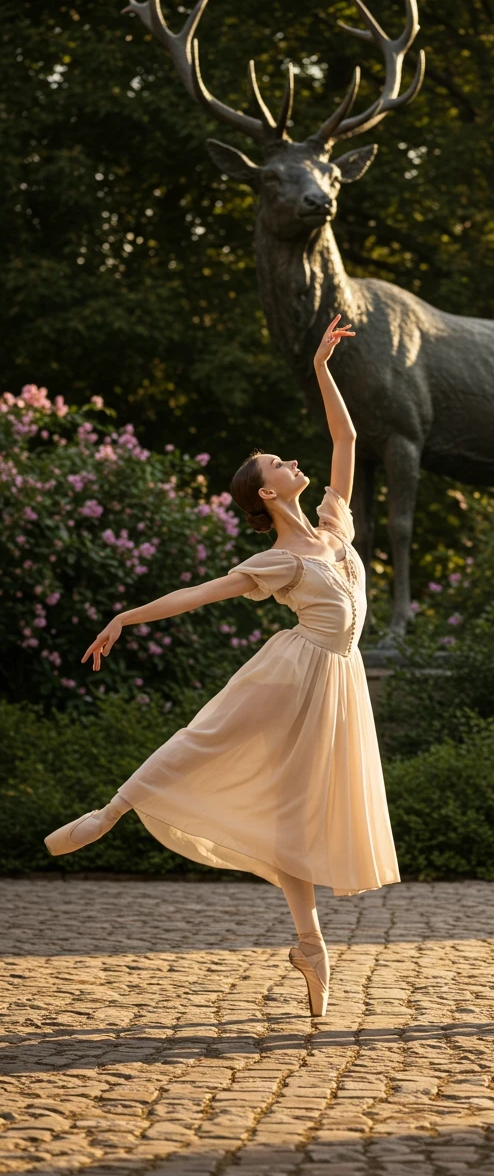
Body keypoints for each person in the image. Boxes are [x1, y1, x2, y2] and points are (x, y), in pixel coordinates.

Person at [44, 314, 399, 1017]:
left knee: (298, 813)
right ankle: (114, 809)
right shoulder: (276, 561)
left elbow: (347, 438)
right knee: (207, 737)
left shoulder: (335, 524)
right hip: (295, 672)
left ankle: (309, 943)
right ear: (267, 492)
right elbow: (196, 595)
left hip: (340, 680)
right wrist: (123, 616)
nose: (290, 462)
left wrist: (323, 365)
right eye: (276, 464)